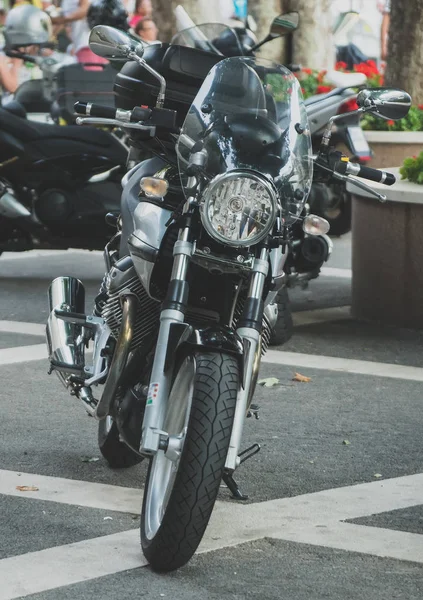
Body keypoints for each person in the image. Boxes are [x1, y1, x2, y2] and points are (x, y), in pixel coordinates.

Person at [51, 0, 106, 65]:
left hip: (88, 46)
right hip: (79, 47)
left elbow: (85, 10)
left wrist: (60, 20)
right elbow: (61, 22)